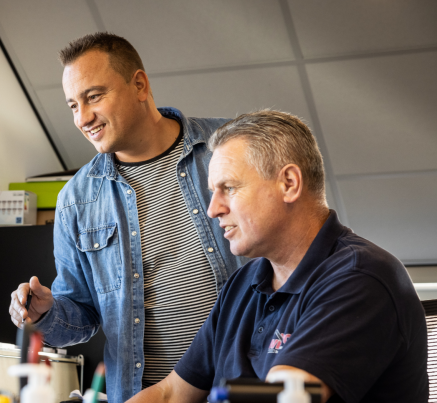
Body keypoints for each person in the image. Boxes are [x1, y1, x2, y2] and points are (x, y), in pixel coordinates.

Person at [7, 32, 247, 402]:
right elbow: (82, 315)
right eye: (73, 105)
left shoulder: (230, 147)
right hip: (142, 396)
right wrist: (45, 312)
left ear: (139, 85)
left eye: (93, 97)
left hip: (239, 386)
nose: (83, 118)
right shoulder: (76, 199)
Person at [127, 110, 429, 403]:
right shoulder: (243, 284)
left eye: (228, 188)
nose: (213, 209)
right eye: (213, 192)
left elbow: (289, 395)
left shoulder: (361, 277)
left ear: (289, 184)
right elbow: (171, 394)